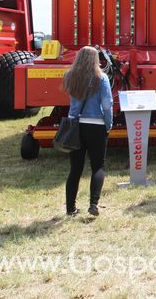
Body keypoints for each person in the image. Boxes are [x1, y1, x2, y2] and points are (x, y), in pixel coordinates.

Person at [63, 46, 114, 217]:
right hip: (96, 124)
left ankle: (70, 209)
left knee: (75, 169)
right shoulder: (102, 77)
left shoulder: (70, 76)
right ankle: (93, 203)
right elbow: (107, 105)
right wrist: (109, 124)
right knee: (98, 166)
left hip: (75, 125)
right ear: (95, 60)